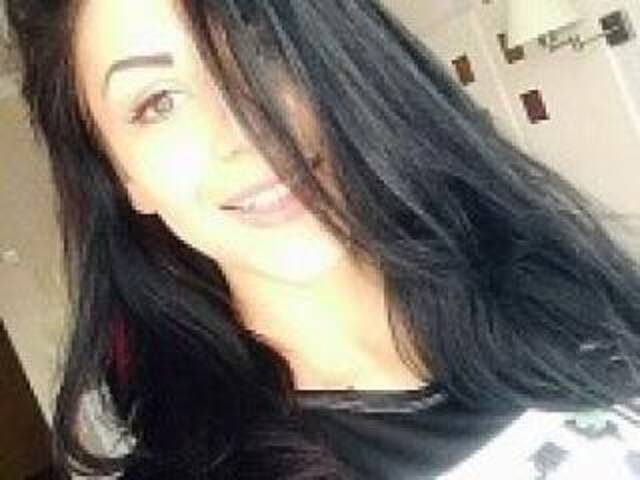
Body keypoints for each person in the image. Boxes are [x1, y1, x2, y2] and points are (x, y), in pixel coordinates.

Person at [5, 0, 640, 478]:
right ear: (122, 176)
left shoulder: (545, 280)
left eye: (261, 49)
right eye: (158, 102)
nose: (249, 131)